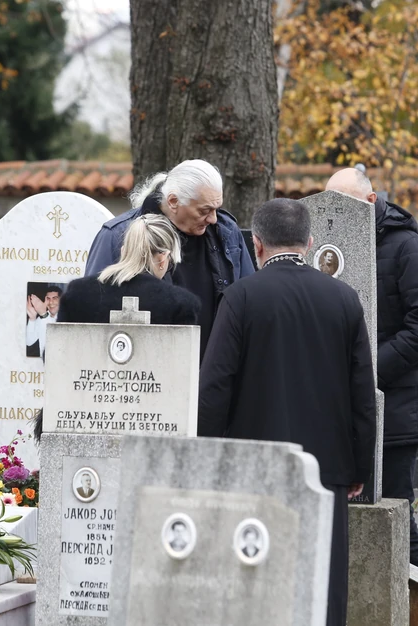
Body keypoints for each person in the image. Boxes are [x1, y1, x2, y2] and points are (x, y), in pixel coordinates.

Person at [198, 198, 376, 626]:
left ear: (256, 244)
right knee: (323, 581)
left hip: (254, 464)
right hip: (326, 467)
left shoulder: (241, 296)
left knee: (254, 577)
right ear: (310, 243)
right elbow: (362, 394)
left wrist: (208, 456)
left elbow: (215, 385)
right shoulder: (344, 299)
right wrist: (358, 467)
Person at [325, 167, 418, 567]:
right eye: (331, 204)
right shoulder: (327, 245)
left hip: (395, 410)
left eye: (346, 204)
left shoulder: (408, 248)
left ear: (371, 202)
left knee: (395, 518)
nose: (337, 213)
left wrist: (367, 372)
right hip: (342, 407)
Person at [84, 159, 254, 358]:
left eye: (216, 209)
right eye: (204, 210)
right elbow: (90, 314)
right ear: (173, 201)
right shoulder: (117, 235)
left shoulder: (226, 231)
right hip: (146, 371)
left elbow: (248, 302)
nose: (213, 219)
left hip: (215, 372)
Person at [58, 214, 200, 325]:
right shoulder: (181, 304)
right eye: (171, 262)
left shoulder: (77, 292)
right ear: (163, 259)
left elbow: (54, 354)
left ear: (124, 250)